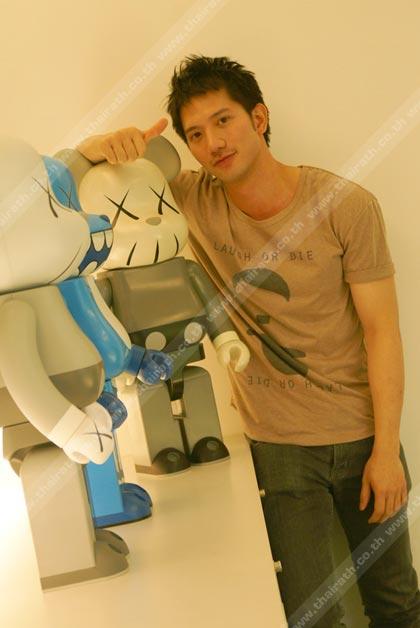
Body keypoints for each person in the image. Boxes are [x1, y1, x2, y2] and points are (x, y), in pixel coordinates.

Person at [75, 55, 420, 627]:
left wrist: (386, 451)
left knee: (396, 602)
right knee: (315, 616)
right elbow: (65, 187)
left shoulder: (346, 205)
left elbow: (383, 332)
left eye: (223, 120)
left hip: (363, 435)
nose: (213, 142)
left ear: (258, 118)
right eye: (195, 134)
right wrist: (98, 147)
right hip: (279, 448)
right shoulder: (188, 201)